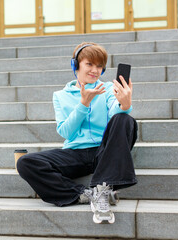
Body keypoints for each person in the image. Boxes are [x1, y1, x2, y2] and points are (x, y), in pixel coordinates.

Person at [16, 42, 138, 223]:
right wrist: (83, 104)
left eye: (99, 66)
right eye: (89, 64)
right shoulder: (60, 96)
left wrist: (125, 104)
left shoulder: (107, 90)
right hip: (75, 153)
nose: (95, 70)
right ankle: (85, 194)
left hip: (104, 151)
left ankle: (102, 188)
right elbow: (66, 132)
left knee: (125, 119)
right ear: (76, 65)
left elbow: (115, 114)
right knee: (26, 162)